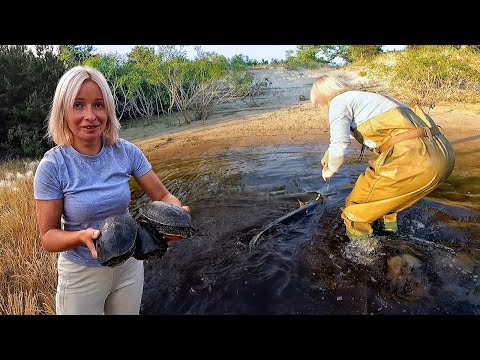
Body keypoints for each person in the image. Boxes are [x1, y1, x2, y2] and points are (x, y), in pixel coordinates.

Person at [33, 65, 190, 315]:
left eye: (98, 104)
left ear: (108, 109)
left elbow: (162, 196)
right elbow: (48, 236)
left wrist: (176, 216)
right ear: (63, 111)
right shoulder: (53, 166)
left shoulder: (126, 152)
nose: (90, 115)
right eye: (78, 105)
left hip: (129, 267)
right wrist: (80, 237)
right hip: (81, 275)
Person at [310, 74, 455, 241]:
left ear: (323, 95)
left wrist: (330, 169)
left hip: (414, 158)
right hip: (443, 156)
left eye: (317, 102)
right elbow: (364, 128)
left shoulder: (338, 101)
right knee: (385, 208)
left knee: (355, 211)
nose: (319, 106)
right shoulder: (371, 98)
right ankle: (391, 246)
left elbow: (340, 142)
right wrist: (329, 153)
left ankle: (364, 259)